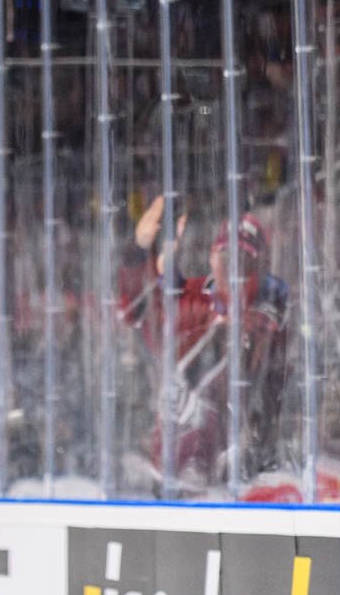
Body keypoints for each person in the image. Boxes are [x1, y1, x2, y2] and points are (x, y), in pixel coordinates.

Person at [119, 201, 291, 490]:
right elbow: (138, 311)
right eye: (225, 257)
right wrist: (141, 250)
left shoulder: (266, 313)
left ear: (261, 268)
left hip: (232, 473)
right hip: (173, 467)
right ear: (212, 257)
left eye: (245, 262)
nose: (234, 269)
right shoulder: (194, 297)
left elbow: (255, 340)